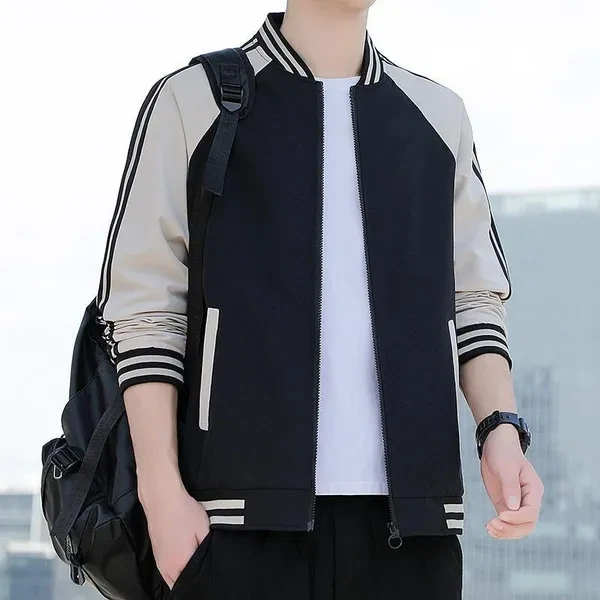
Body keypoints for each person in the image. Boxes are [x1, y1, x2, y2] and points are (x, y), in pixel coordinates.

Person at [94, 0, 544, 598]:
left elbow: (475, 298)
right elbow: (144, 308)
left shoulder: (438, 116)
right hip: (231, 525)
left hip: (414, 530)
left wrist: (500, 430)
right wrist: (161, 495)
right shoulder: (191, 102)